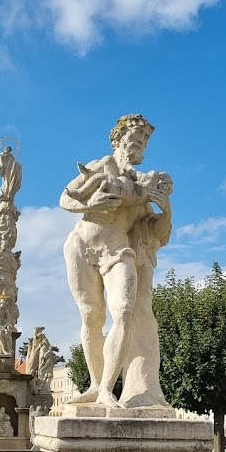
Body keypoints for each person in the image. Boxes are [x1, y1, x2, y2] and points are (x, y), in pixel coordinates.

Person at [59, 113, 172, 407]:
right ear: (119, 139)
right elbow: (65, 198)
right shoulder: (102, 166)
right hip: (81, 245)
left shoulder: (143, 186)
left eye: (145, 138)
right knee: (91, 316)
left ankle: (109, 388)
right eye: (136, 135)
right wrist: (88, 203)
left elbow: (157, 232)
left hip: (117, 250)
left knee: (123, 310)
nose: (141, 141)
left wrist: (167, 209)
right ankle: (95, 386)